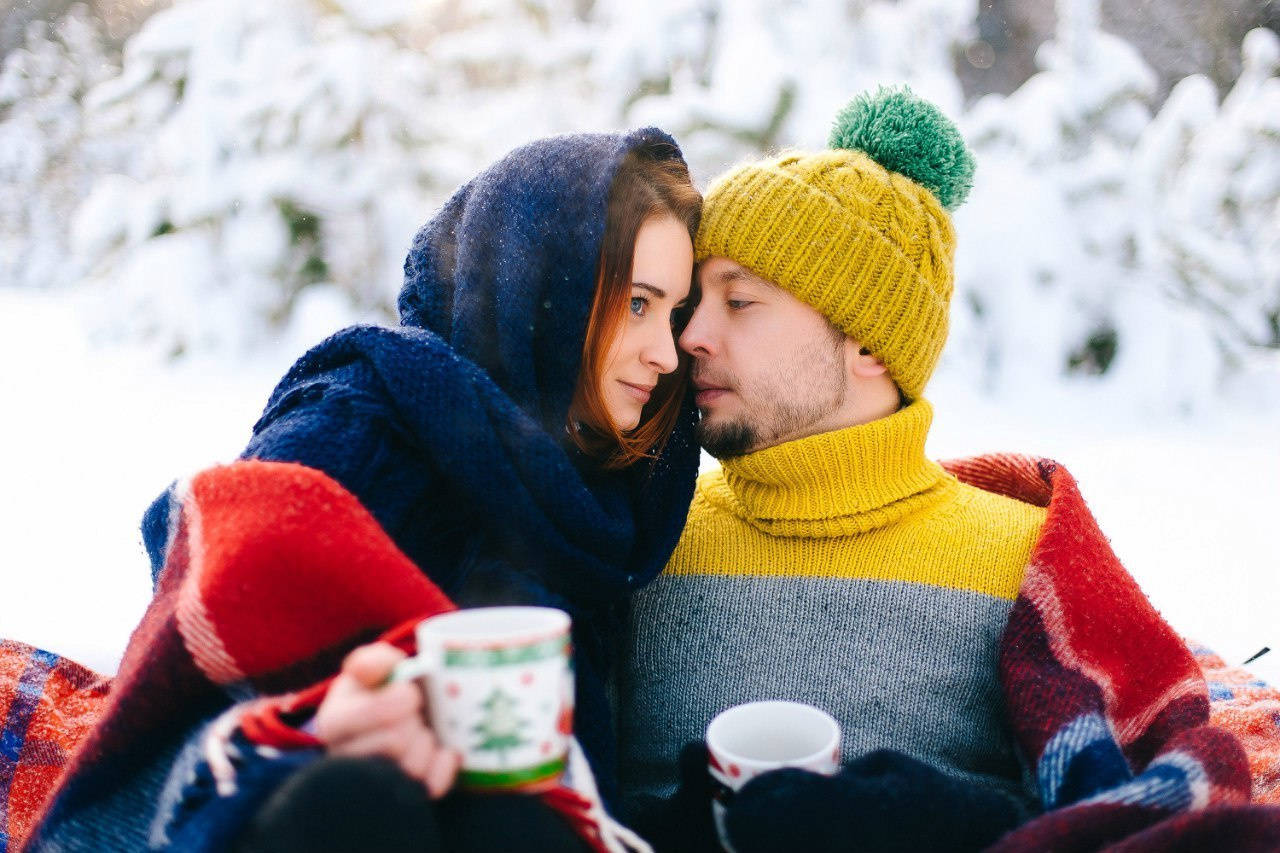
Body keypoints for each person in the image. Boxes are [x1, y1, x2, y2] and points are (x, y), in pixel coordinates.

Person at [615, 88, 1271, 853]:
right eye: (696, 301)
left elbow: (1151, 791)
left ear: (868, 344)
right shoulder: (645, 540)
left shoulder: (1025, 559)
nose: (689, 334)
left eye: (741, 301)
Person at [24, 129, 702, 852]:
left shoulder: (594, 512)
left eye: (674, 314)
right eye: (636, 302)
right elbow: (190, 673)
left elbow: (580, 796)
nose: (665, 353)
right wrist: (320, 728)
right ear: (543, 289)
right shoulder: (362, 426)